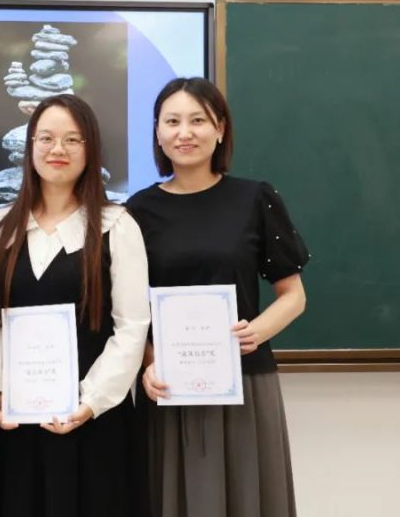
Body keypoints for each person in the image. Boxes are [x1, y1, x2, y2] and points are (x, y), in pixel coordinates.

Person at [127, 77, 309, 517]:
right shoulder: (136, 211)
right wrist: (149, 363)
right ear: (157, 132)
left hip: (244, 382)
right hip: (168, 385)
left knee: (247, 499)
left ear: (220, 129)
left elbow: (293, 295)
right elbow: (131, 310)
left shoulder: (254, 198)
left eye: (198, 121)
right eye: (172, 121)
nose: (184, 133)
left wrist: (257, 330)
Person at [0, 94, 151, 517]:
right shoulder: (0, 227)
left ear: (90, 150)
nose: (58, 149)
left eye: (73, 140)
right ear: (30, 146)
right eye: (47, 138)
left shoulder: (117, 225)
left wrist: (88, 401)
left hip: (94, 421)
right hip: (15, 420)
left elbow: (131, 328)